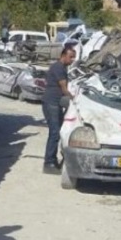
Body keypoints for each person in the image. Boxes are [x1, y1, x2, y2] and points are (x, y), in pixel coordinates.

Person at [42, 46, 75, 174]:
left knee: (58, 131)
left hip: (55, 103)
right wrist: (74, 99)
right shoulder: (59, 68)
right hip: (52, 103)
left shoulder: (61, 67)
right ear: (63, 56)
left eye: (73, 57)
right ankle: (49, 163)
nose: (72, 60)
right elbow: (64, 89)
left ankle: (53, 160)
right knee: (55, 132)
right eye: (70, 57)